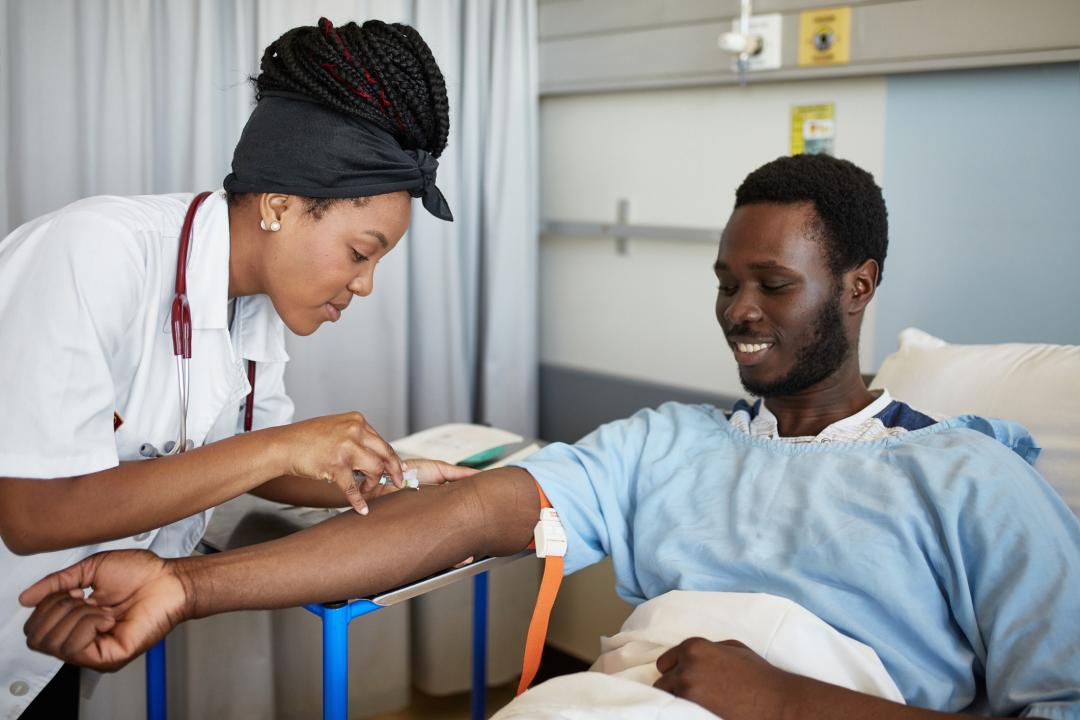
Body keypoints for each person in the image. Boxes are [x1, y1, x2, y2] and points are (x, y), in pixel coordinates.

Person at [20, 155, 1080, 719]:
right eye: (725, 283)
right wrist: (186, 588)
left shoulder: (973, 482)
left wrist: (788, 706)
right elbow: (461, 518)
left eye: (772, 285)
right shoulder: (669, 445)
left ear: (859, 288)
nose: (739, 312)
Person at [0, 18, 478, 719]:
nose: (366, 284)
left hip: (49, 642)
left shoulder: (250, 306)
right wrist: (286, 444)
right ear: (281, 204)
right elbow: (33, 513)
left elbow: (254, 464)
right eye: (359, 252)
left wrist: (394, 473)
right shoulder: (97, 251)